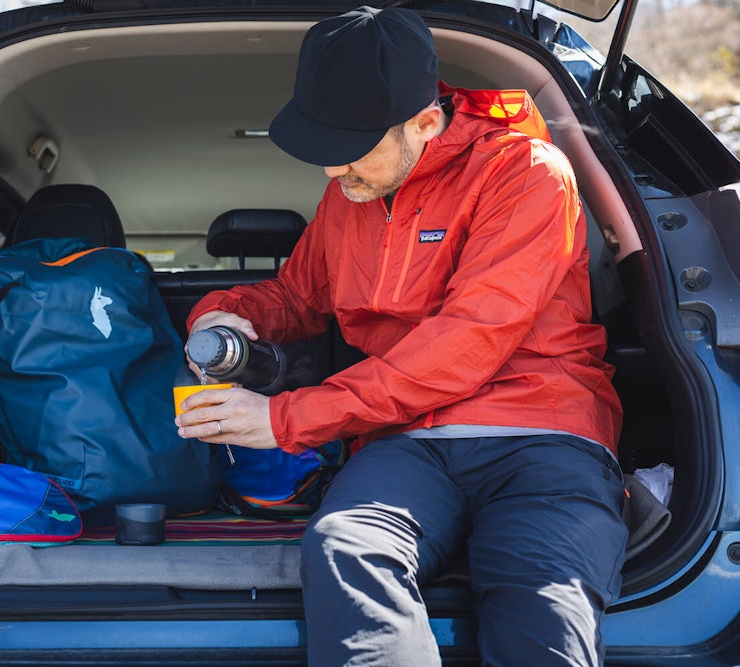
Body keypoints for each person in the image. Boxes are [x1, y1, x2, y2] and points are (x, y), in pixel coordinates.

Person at [174, 6, 627, 666]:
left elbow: (466, 342)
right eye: (322, 153)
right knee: (345, 544)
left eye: (351, 150)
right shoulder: (345, 201)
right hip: (405, 443)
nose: (333, 174)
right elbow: (295, 299)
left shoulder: (526, 173)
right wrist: (218, 314)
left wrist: (286, 417)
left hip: (539, 433)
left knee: (543, 601)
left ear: (423, 122)